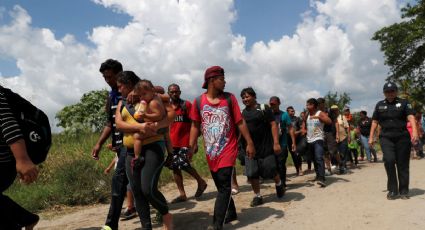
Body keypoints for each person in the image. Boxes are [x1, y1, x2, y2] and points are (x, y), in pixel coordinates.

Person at [189, 66, 255, 230]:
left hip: (228, 148)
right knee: (221, 186)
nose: (225, 82)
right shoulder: (198, 102)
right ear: (212, 80)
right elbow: (195, 126)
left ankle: (216, 224)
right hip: (211, 151)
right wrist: (191, 146)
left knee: (225, 185)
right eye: (222, 79)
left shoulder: (230, 99)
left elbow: (240, 122)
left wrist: (249, 142)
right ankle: (231, 212)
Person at [114, 72, 174, 229]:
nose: (119, 90)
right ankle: (146, 226)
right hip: (130, 151)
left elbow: (171, 114)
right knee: (136, 191)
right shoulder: (122, 103)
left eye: (121, 86)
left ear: (130, 85)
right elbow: (119, 125)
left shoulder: (152, 98)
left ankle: (165, 214)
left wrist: (158, 125)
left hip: (153, 146)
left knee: (147, 189)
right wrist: (139, 126)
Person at [91, 59, 129, 230]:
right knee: (118, 183)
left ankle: (162, 211)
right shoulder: (111, 96)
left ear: (119, 74)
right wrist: (99, 144)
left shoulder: (132, 90)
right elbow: (109, 123)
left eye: (110, 77)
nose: (107, 80)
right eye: (104, 78)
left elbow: (157, 91)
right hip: (121, 148)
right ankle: (110, 225)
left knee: (143, 187)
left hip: (137, 145)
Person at [369, 82, 418, 200]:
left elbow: (411, 117)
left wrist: (415, 132)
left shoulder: (404, 103)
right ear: (384, 93)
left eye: (392, 91)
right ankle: (392, 190)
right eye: (387, 91)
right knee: (389, 160)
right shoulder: (379, 105)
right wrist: (371, 137)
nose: (390, 93)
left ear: (396, 91)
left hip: (402, 137)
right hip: (386, 137)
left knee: (403, 164)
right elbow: (375, 121)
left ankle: (404, 191)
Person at [0, 87, 40, 229]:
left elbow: (7, 123)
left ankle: (25, 219)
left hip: (4, 162)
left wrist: (22, 159)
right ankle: (26, 218)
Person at [240, 89, 285, 207]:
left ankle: (279, 183)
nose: (245, 99)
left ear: (254, 96)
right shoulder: (242, 113)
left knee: (269, 170)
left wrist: (276, 143)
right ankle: (258, 196)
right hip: (250, 148)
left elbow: (273, 124)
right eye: (243, 98)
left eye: (247, 97)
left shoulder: (264, 108)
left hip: (266, 146)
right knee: (252, 173)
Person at [167, 83, 207, 203]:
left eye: (176, 91)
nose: (174, 94)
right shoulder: (166, 107)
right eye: (172, 92)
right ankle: (182, 194)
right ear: (168, 93)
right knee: (175, 167)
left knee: (183, 164)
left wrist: (194, 144)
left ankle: (201, 181)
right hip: (171, 143)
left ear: (180, 92)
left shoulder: (186, 105)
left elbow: (196, 123)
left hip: (185, 142)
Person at [268, 96, 296, 187]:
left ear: (279, 103)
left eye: (274, 104)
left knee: (281, 164)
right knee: (273, 165)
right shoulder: (268, 115)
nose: (272, 106)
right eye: (271, 104)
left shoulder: (285, 115)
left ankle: (282, 182)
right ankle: (278, 181)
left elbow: (291, 128)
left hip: (282, 144)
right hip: (271, 144)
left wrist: (293, 142)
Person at [303, 98, 332, 187]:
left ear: (314, 105)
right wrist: (304, 129)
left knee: (319, 157)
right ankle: (318, 175)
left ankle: (322, 178)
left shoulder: (320, 113)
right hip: (309, 139)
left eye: (309, 104)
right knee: (314, 159)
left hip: (318, 139)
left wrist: (319, 118)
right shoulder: (307, 114)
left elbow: (329, 121)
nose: (307, 106)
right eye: (307, 104)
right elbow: (304, 122)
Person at [318, 98, 339, 175]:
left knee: (333, 151)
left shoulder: (329, 111)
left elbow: (336, 122)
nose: (319, 105)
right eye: (318, 104)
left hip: (330, 132)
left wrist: (337, 134)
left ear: (323, 103)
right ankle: (329, 169)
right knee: (325, 152)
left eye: (320, 103)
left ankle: (340, 165)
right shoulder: (318, 112)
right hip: (321, 133)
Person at [332, 105, 351, 174]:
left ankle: (343, 167)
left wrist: (349, 136)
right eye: (333, 110)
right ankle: (337, 165)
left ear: (338, 110)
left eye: (335, 109)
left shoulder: (342, 117)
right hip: (333, 138)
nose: (334, 111)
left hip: (343, 137)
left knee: (343, 152)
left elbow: (347, 127)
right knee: (334, 152)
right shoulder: (330, 118)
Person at [286, 106, 303, 175]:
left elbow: (302, 129)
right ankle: (297, 169)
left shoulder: (297, 119)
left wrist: (297, 132)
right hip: (288, 139)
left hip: (297, 139)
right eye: (291, 111)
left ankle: (300, 169)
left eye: (293, 111)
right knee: (293, 155)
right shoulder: (285, 120)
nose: (293, 112)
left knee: (298, 154)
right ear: (287, 112)